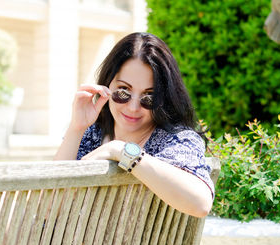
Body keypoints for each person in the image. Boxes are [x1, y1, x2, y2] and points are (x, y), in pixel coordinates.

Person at [54, 32, 214, 218]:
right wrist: (76, 128)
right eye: (123, 92)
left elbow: (200, 204)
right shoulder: (91, 134)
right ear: (107, 86)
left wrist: (123, 151)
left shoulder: (175, 141)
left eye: (149, 97)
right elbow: (48, 208)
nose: (133, 107)